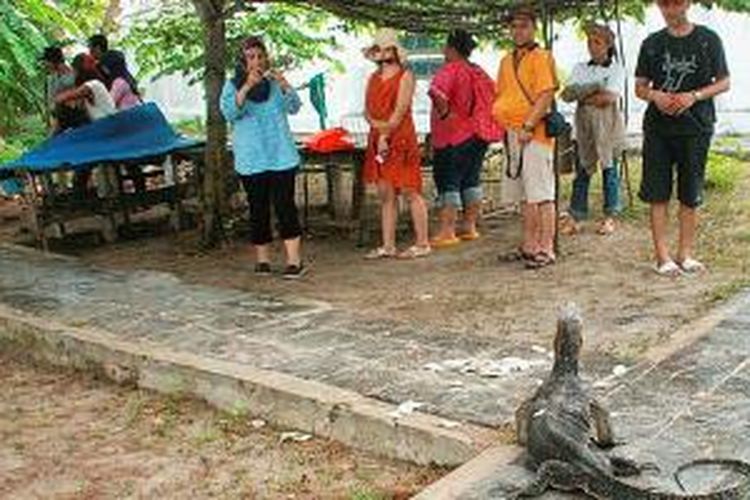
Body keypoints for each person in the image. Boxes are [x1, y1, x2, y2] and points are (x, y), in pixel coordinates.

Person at [635, 0, 730, 276]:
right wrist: (656, 96)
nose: (668, 10)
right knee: (657, 193)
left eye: (674, 4)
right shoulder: (651, 43)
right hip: (658, 129)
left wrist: (694, 96)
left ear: (686, 4)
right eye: (663, 5)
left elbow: (724, 81)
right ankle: (662, 257)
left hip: (696, 127)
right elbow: (640, 86)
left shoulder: (707, 40)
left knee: (690, 192)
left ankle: (685, 254)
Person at [220, 36, 306, 279]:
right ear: (242, 61)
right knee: (258, 209)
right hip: (251, 159)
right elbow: (229, 112)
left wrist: (285, 84)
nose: (256, 61)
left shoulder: (274, 83)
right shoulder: (232, 85)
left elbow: (294, 106)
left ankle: (294, 261)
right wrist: (246, 86)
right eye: (250, 57)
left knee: (285, 207)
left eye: (260, 56)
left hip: (281, 155)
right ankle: (263, 261)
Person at [493, 6, 559, 269]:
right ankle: (529, 244)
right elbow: (502, 95)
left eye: (523, 25)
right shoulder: (506, 60)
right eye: (514, 26)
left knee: (541, 193)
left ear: (533, 28)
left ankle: (547, 247)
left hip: (534, 132)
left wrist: (529, 125)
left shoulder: (542, 57)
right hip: (511, 132)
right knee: (524, 194)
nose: (518, 30)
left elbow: (545, 95)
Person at [362, 28, 430, 260]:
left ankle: (422, 242)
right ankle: (388, 245)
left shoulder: (405, 76)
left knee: (410, 189)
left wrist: (384, 134)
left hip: (399, 137)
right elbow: (368, 111)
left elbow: (399, 112)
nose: (380, 53)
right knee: (385, 192)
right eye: (377, 49)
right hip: (378, 134)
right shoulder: (373, 78)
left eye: (384, 48)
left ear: (393, 50)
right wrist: (378, 131)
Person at [560, 24, 626, 236]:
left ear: (608, 44)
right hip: (584, 124)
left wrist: (583, 94)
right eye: (589, 42)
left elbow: (609, 97)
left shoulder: (616, 69)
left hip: (608, 123)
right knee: (582, 169)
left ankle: (609, 217)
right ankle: (576, 216)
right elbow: (567, 94)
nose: (592, 46)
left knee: (610, 170)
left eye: (597, 42)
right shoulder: (580, 67)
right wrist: (596, 87)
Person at [428, 29, 490, 246]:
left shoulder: (450, 69)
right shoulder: (478, 71)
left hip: (452, 136)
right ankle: (469, 226)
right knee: (471, 179)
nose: (443, 50)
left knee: (448, 181)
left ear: (452, 48)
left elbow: (436, 92)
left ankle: (447, 230)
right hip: (478, 134)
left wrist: (445, 113)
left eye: (445, 46)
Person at [40, 46, 89, 134]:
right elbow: (50, 99)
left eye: (46, 61)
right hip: (57, 117)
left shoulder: (72, 77)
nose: (45, 64)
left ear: (53, 61)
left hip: (71, 117)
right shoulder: (51, 77)